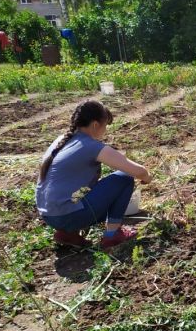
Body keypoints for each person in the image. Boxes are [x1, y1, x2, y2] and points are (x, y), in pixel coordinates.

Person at [36, 100, 153, 249]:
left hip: (48, 216)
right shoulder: (91, 146)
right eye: (105, 126)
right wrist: (147, 177)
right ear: (96, 125)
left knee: (82, 189)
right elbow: (138, 171)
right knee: (124, 178)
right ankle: (112, 235)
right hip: (67, 216)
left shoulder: (61, 140)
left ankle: (67, 234)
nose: (105, 131)